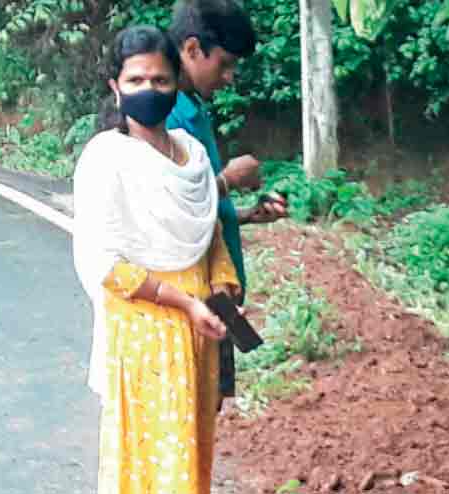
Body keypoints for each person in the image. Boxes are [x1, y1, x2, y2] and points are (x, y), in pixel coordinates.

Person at [73, 25, 240, 494]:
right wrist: (181, 301)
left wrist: (225, 296)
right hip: (144, 332)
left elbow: (211, 238)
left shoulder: (193, 157)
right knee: (149, 466)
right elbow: (106, 265)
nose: (149, 91)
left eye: (161, 81)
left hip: (199, 331)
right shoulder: (106, 160)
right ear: (115, 87)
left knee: (191, 459)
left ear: (175, 85)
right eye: (137, 81)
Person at [166, 0, 287, 408]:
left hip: (216, 290)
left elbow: (204, 209)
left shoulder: (194, 109)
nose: (230, 77)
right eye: (225, 64)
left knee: (208, 411)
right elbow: (169, 205)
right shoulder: (164, 117)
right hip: (189, 294)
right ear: (193, 49)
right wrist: (228, 180)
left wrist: (246, 214)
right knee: (188, 413)